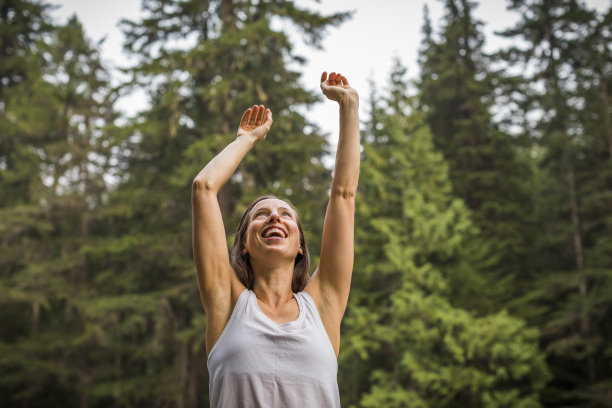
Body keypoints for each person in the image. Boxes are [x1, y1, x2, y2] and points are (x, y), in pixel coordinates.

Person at [191, 71, 359, 407]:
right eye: (261, 214)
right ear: (243, 245)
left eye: (285, 214)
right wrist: (246, 140)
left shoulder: (323, 304)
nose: (274, 216)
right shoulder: (226, 303)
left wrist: (349, 107)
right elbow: (203, 188)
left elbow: (343, 195)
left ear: (300, 246)